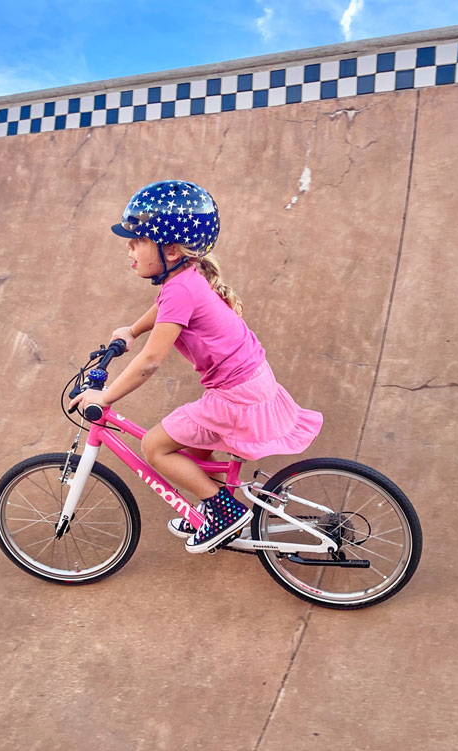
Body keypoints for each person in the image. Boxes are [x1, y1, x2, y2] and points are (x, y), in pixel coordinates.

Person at [70, 179, 322, 554]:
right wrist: (132, 331)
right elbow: (164, 309)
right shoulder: (186, 277)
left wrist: (105, 397)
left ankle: (225, 514)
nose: (129, 247)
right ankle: (212, 507)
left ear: (171, 250)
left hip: (236, 395)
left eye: (138, 240)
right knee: (194, 450)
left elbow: (150, 362)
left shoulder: (180, 288)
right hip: (250, 383)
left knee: (155, 446)